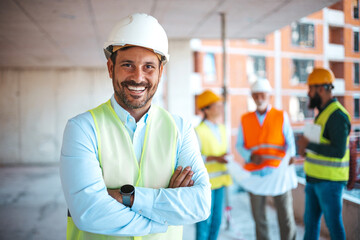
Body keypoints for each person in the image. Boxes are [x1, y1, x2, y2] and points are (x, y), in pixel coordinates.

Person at [59, 13, 211, 240]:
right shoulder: (82, 128)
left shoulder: (180, 129)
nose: (138, 77)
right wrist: (164, 217)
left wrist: (128, 198)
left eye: (149, 66)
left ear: (161, 72)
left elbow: (200, 204)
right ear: (111, 68)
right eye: (128, 65)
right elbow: (89, 212)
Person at [236, 79, 298, 240]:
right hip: (255, 176)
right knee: (259, 219)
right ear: (252, 96)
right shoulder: (245, 119)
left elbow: (290, 144)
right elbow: (239, 145)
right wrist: (250, 156)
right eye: (255, 95)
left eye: (262, 94)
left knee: (285, 217)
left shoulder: (280, 116)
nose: (259, 97)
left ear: (269, 95)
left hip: (279, 174)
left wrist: (291, 157)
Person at [297, 68, 351, 240]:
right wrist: (305, 149)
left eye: (310, 89)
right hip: (314, 179)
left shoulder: (337, 115)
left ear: (321, 89)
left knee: (334, 227)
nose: (309, 93)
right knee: (311, 225)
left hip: (330, 183)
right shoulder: (322, 114)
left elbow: (338, 151)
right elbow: (320, 145)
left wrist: (309, 144)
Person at [194, 90, 233, 240]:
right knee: (204, 222)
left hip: (221, 182)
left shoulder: (223, 129)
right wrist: (216, 158)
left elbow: (226, 151)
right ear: (206, 109)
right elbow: (195, 158)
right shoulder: (198, 131)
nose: (220, 108)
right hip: (205, 184)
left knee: (217, 222)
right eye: (216, 105)